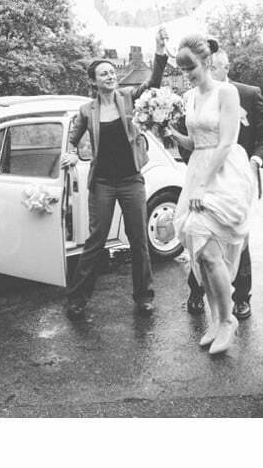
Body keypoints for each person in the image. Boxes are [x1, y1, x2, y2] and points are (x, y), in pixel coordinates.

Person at [60, 28, 170, 319]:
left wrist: (159, 51)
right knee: (95, 241)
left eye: (111, 72)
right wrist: (69, 153)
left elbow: (154, 83)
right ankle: (77, 298)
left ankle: (144, 297)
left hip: (131, 179)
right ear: (93, 82)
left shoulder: (128, 98)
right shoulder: (86, 111)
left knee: (139, 240)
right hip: (103, 183)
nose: (110, 76)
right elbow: (71, 140)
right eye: (104, 74)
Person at [167, 34, 256, 355]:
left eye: (190, 66)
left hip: (223, 173)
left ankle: (228, 319)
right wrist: (167, 132)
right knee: (199, 250)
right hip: (198, 169)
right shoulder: (190, 97)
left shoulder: (227, 92)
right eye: (181, 68)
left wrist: (204, 185)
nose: (186, 73)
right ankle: (216, 319)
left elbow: (226, 142)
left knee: (208, 250)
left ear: (206, 61)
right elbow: (194, 143)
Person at [182, 48, 263, 320]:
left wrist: (255, 161)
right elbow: (193, 135)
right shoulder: (193, 95)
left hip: (236, 176)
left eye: (215, 69)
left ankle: (241, 298)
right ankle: (197, 292)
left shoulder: (246, 93)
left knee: (238, 238)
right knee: (199, 234)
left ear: (223, 68)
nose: (208, 74)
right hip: (205, 172)